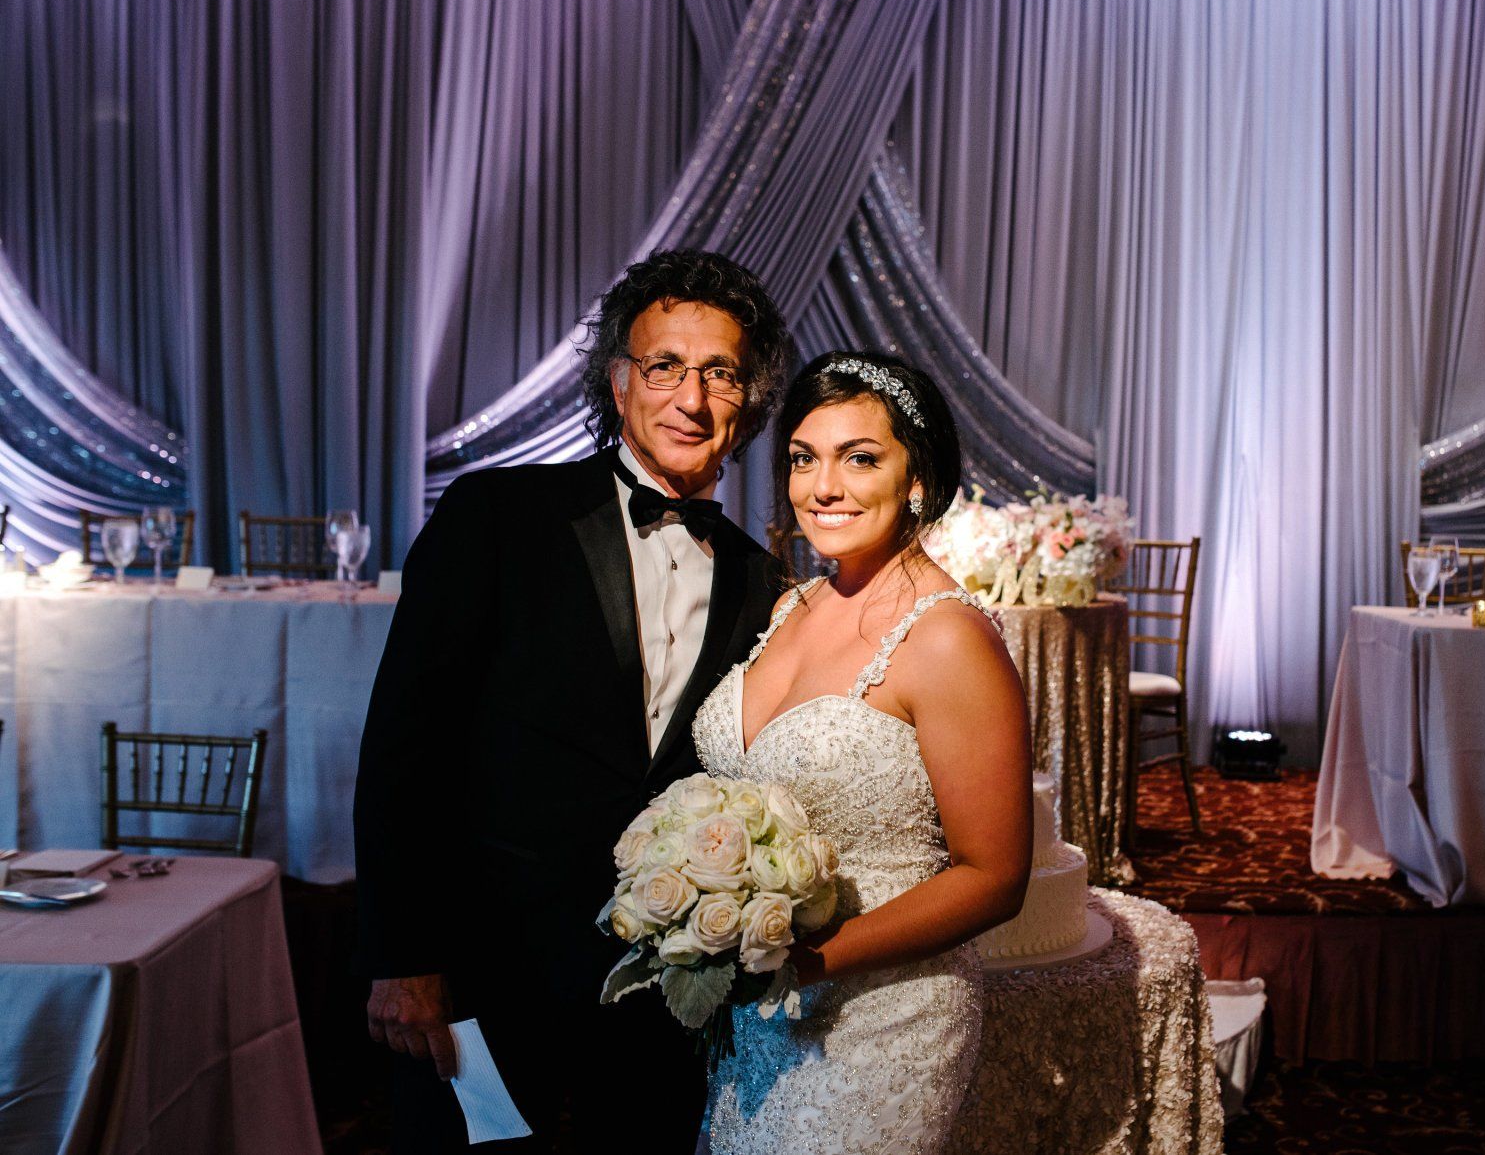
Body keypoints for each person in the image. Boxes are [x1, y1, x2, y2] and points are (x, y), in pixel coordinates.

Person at [354, 250, 791, 1151]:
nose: (692, 398)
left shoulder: (759, 579)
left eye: (720, 373)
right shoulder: (498, 515)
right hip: (481, 971)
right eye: (666, 366)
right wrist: (403, 959)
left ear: (748, 401)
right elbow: (405, 744)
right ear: (620, 382)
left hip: (657, 989)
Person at [689, 351, 1033, 1153]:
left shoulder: (947, 638)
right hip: (756, 1026)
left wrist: (804, 964)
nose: (824, 487)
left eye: (861, 458)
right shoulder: (794, 603)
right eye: (805, 459)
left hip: (884, 1019)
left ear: (918, 478)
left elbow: (994, 878)